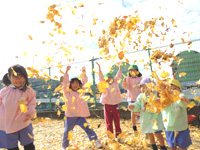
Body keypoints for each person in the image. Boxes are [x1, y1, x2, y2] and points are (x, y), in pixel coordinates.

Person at [61, 66, 103, 150]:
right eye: (73, 83)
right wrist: (66, 72)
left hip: (80, 116)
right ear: (70, 84)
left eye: (77, 83)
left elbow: (85, 82)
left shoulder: (82, 91)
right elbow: (64, 82)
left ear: (80, 84)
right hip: (70, 116)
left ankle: (96, 140)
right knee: (67, 132)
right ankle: (64, 146)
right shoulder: (67, 92)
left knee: (88, 128)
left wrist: (84, 73)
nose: (75, 85)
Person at [0, 64, 36, 150]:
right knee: (12, 147)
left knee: (29, 146)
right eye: (15, 76)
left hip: (24, 122)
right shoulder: (3, 92)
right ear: (9, 77)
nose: (19, 79)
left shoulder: (28, 91)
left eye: (21, 76)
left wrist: (30, 113)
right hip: (8, 125)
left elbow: (32, 104)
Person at [128, 78, 167, 150]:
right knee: (149, 133)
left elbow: (158, 104)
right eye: (142, 87)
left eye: (145, 86)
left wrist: (149, 106)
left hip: (155, 118)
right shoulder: (140, 96)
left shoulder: (155, 95)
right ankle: (153, 146)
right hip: (146, 118)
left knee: (157, 133)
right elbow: (138, 105)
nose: (143, 88)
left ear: (151, 87)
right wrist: (133, 106)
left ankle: (162, 146)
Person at [96, 62, 123, 142]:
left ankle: (118, 136)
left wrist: (120, 69)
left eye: (110, 78)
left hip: (115, 105)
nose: (108, 79)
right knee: (108, 122)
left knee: (117, 121)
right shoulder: (104, 84)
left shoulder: (115, 84)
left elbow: (118, 77)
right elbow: (100, 78)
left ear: (112, 79)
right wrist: (99, 69)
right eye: (107, 78)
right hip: (107, 105)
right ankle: (110, 137)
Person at [162, 79, 192, 150]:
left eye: (175, 88)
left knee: (183, 146)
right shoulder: (166, 99)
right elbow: (163, 108)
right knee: (172, 146)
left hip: (181, 127)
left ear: (179, 90)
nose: (172, 90)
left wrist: (182, 100)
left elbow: (184, 105)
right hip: (170, 127)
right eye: (170, 88)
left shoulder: (181, 97)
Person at [121, 64, 142, 133]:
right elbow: (126, 87)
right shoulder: (128, 79)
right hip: (131, 97)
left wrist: (140, 85)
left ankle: (143, 128)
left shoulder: (140, 78)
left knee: (141, 113)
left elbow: (142, 87)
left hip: (139, 98)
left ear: (137, 71)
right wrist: (124, 83)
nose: (132, 72)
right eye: (131, 71)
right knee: (133, 113)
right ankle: (134, 127)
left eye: (134, 70)